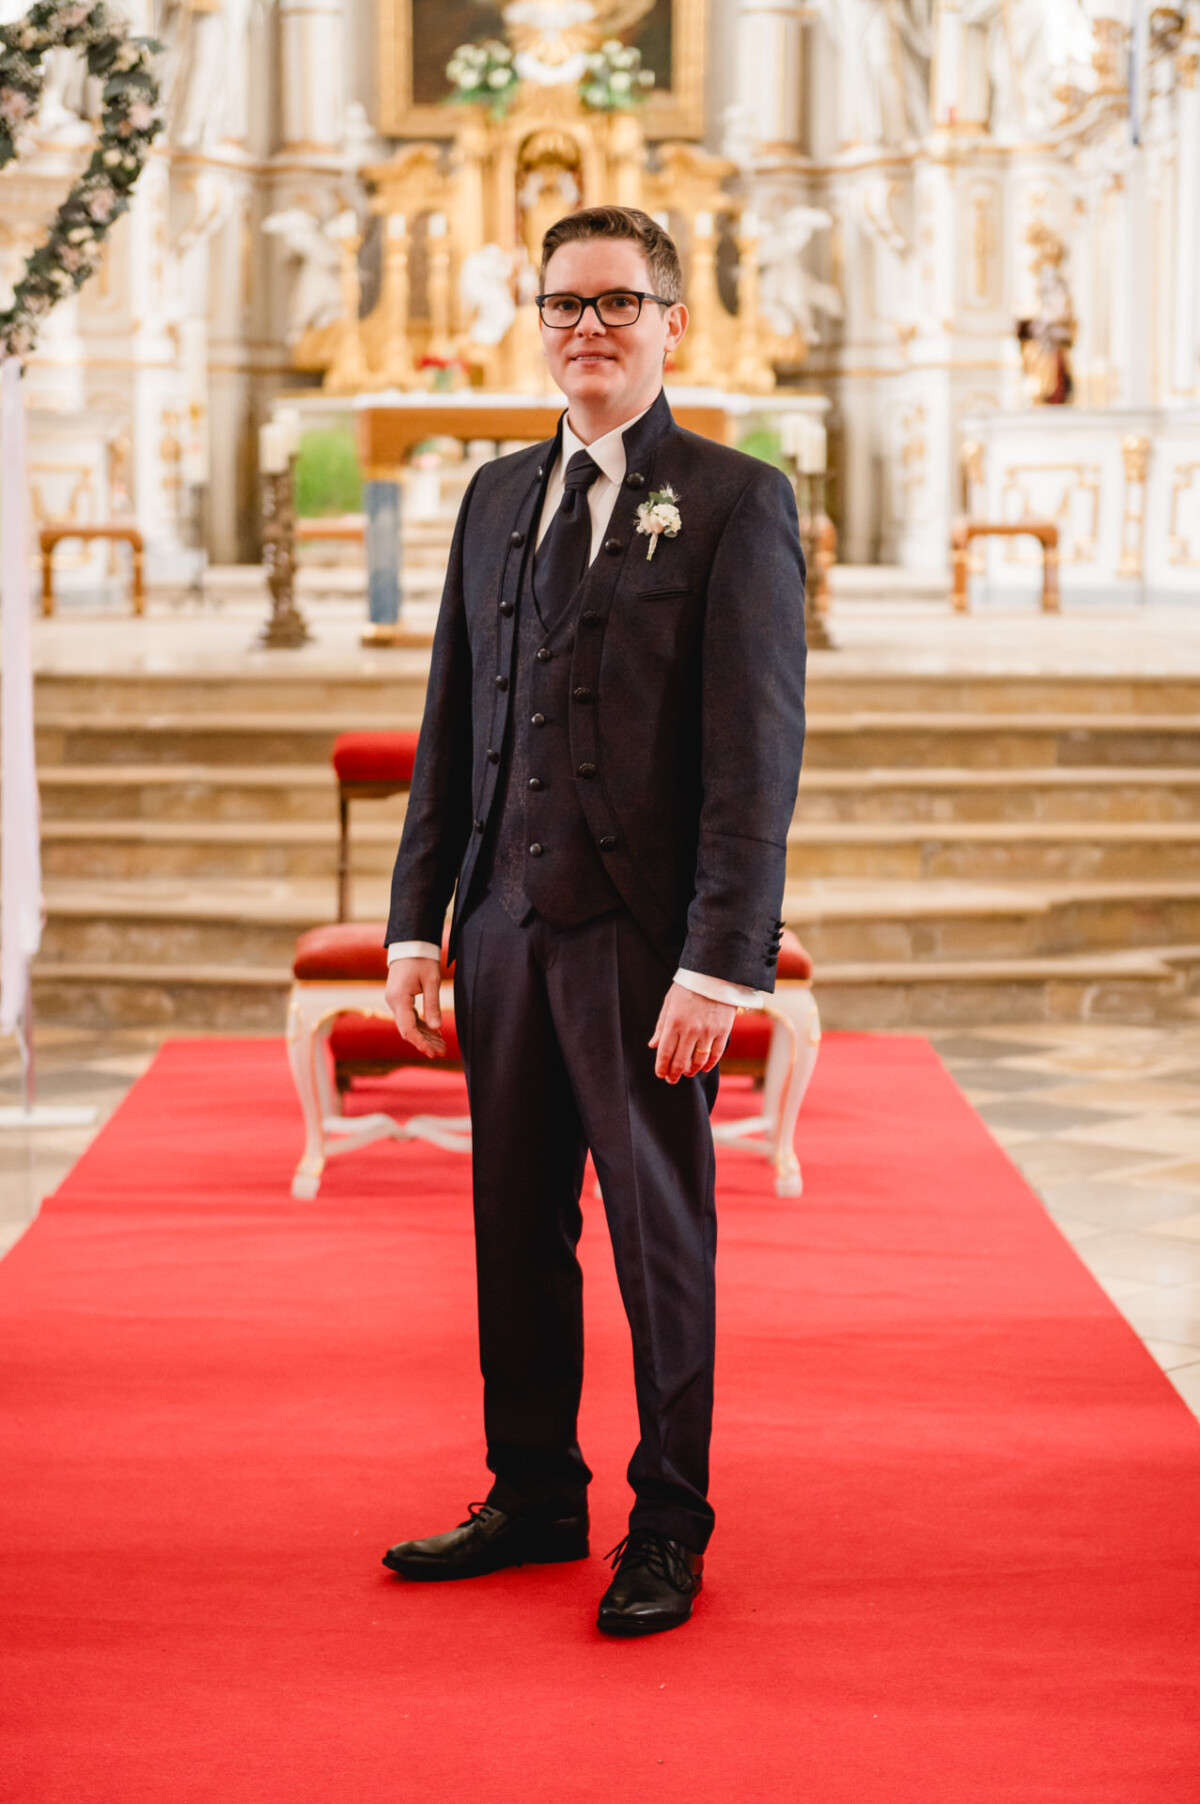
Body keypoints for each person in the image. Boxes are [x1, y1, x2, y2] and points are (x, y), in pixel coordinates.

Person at [380, 205, 806, 1637]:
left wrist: (719, 963)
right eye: (564, 304)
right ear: (541, 322)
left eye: (619, 303)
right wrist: (416, 923)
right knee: (514, 1231)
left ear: (675, 324)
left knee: (655, 1240)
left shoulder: (736, 500)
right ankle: (534, 1493)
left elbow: (757, 759)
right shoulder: (495, 494)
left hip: (642, 947)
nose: (589, 328)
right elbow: (454, 720)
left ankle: (668, 1521)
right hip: (503, 926)